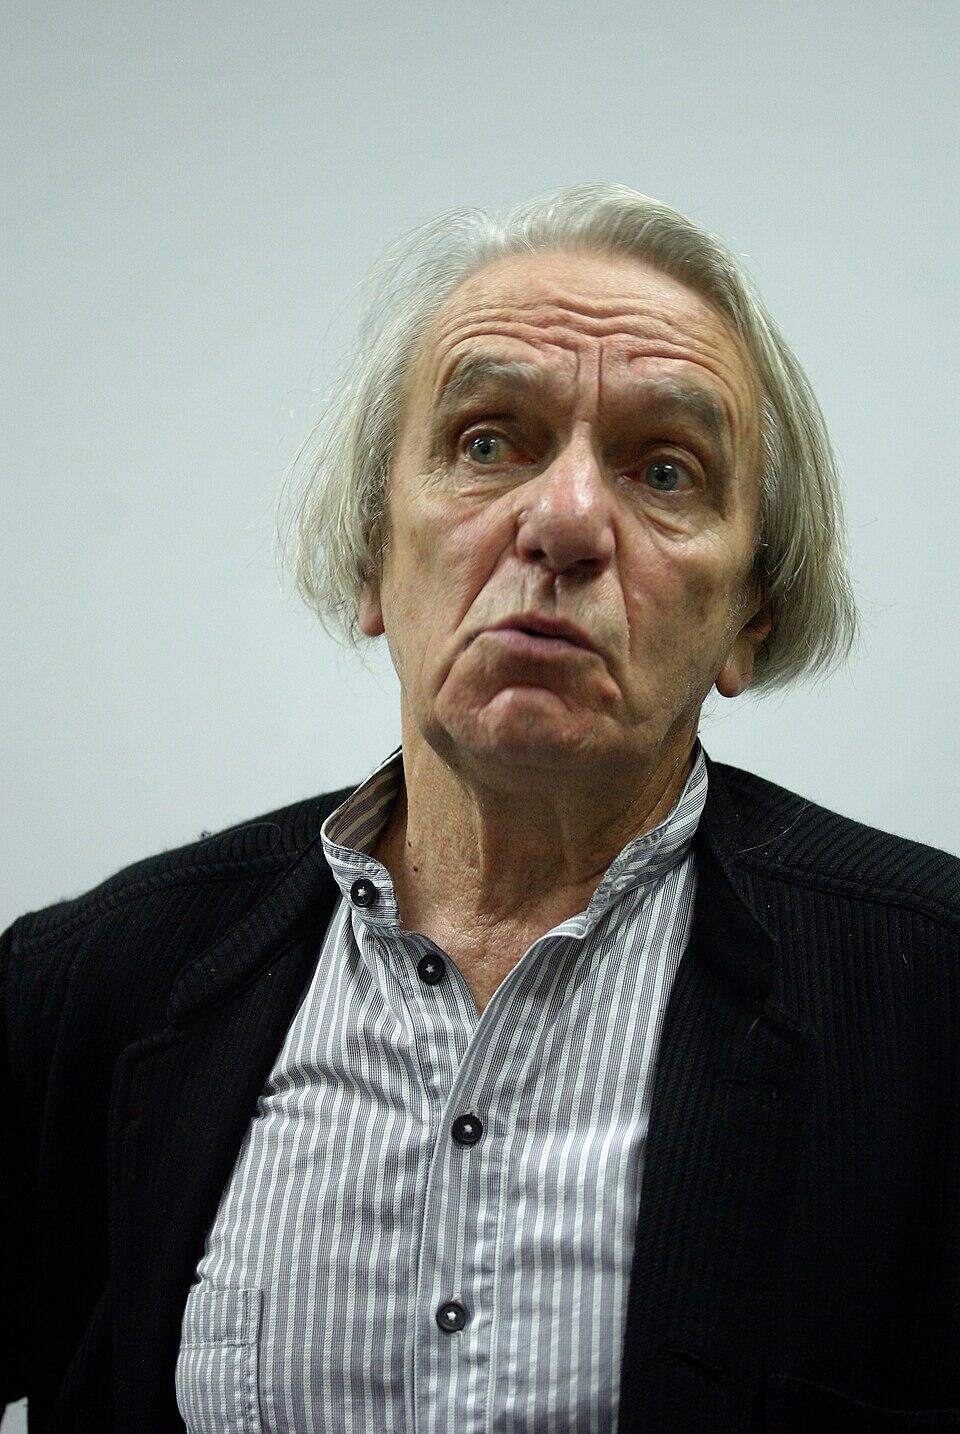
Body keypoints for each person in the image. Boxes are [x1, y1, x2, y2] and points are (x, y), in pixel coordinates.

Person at [2, 183, 957, 1434]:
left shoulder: (931, 999)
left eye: (664, 468)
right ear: (369, 558)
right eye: (488, 442)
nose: (562, 524)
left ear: (752, 614)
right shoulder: (91, 987)